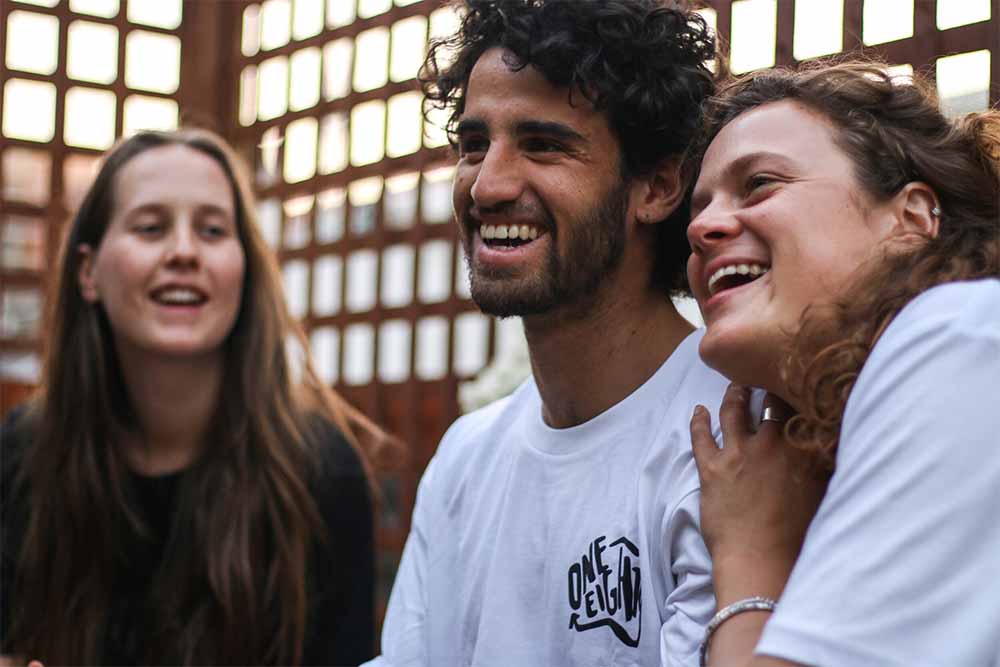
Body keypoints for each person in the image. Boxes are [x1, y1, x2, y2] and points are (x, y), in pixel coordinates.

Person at [367, 1, 728, 665]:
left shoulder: (731, 442)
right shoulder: (463, 460)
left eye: (544, 144)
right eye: (474, 145)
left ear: (658, 184)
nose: (489, 185)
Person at [0, 128, 383, 666]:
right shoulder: (21, 457)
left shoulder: (318, 470)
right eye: (151, 227)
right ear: (88, 272)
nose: (183, 252)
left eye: (211, 229)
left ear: (244, 268)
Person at [684, 61, 1000, 666]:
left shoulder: (957, 335)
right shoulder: (782, 458)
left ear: (911, 218)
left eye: (760, 184)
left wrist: (750, 552)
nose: (702, 227)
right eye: (700, 208)